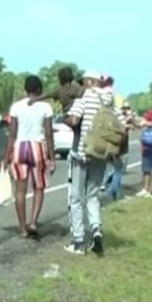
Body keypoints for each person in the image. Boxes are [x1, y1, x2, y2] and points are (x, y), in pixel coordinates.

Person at [63, 70, 116, 256]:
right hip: (100, 155)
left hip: (82, 153)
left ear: (90, 82)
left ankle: (78, 241)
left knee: (75, 197)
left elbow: (74, 120)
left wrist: (66, 118)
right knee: (93, 195)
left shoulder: (83, 98)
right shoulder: (110, 101)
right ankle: (96, 231)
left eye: (83, 82)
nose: (81, 85)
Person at [4, 75, 56, 238]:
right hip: (37, 147)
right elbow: (48, 134)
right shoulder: (46, 107)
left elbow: (11, 135)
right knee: (38, 187)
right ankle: (33, 221)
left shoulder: (16, 107)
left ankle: (22, 228)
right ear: (39, 90)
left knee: (20, 191)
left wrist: (6, 158)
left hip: (20, 147)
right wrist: (52, 158)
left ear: (26, 89)